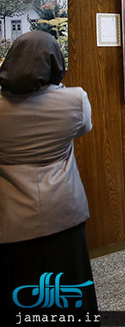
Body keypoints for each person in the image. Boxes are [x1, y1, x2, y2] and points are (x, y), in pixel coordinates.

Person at [0, 31, 97, 322]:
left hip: (12, 217)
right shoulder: (74, 100)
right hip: (64, 212)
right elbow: (83, 129)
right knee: (70, 288)